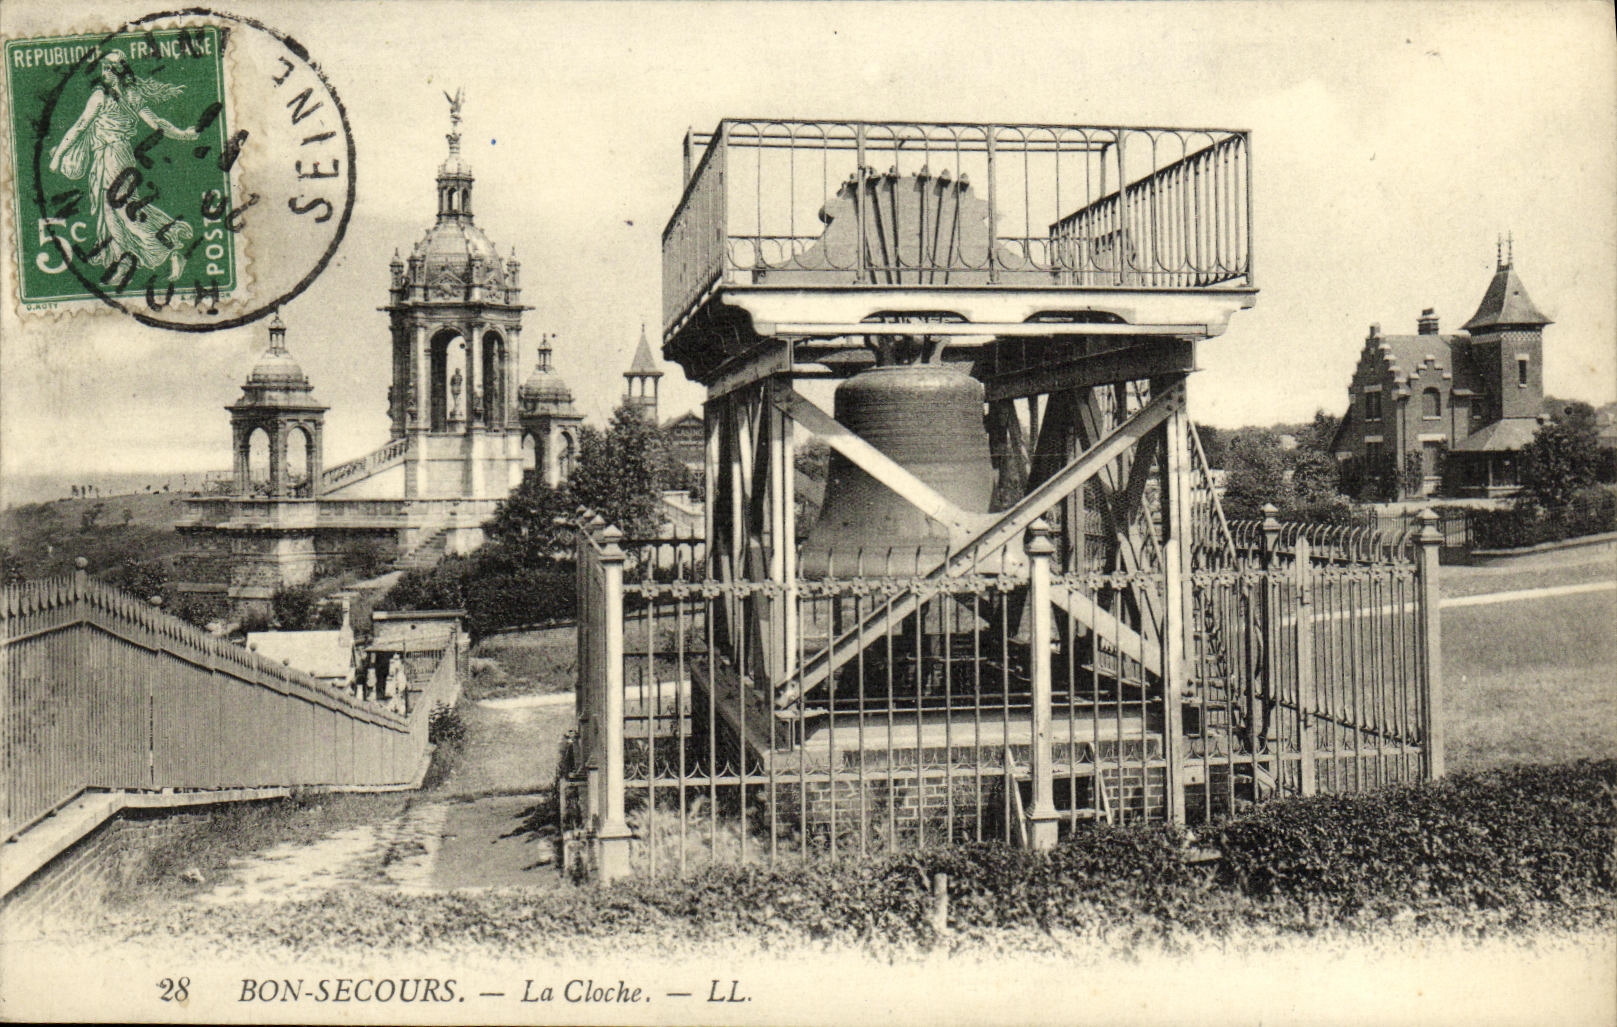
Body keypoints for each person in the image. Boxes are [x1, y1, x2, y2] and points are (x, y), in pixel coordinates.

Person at [48, 50, 198, 281]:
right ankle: (124, 260)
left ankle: (170, 252)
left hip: (110, 157)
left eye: (106, 68)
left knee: (123, 213)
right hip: (122, 156)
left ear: (114, 72)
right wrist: (183, 134)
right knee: (114, 214)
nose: (103, 73)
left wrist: (58, 156)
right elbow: (158, 124)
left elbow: (79, 126)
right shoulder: (131, 95)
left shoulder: (101, 96)